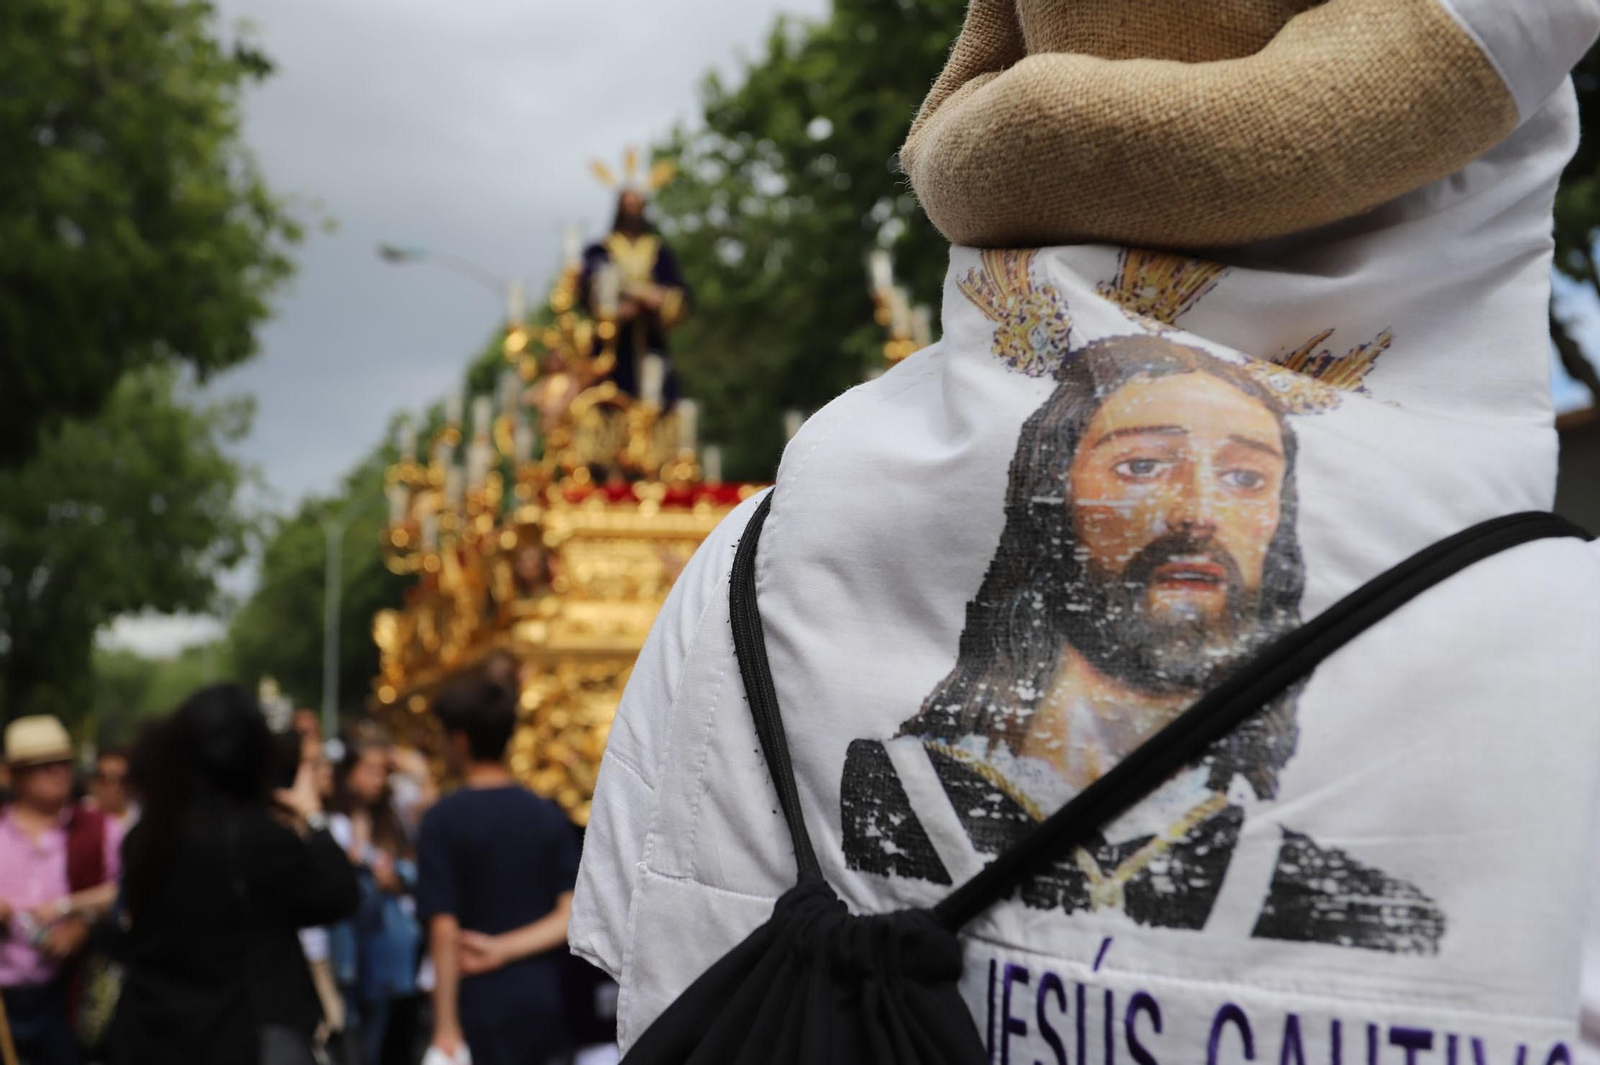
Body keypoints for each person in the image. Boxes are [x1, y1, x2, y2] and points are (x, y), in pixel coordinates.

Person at [572, 0, 1600, 1059]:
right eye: (1143, 464)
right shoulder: (1572, 647)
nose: (1197, 514)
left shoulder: (751, 573)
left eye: (1246, 474)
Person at [110, 684, 360, 1065]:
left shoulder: (147, 836)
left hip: (155, 1033)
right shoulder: (260, 838)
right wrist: (314, 818)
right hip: (239, 1037)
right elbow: (339, 895)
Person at [418, 674, 578, 1065]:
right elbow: (570, 914)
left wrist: (445, 1026)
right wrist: (503, 949)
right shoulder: (547, 815)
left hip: (476, 1001)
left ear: (460, 741)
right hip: (543, 999)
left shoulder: (442, 820)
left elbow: (444, 929)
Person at [0, 715, 119, 1065]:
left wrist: (82, 923)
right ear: (13, 774)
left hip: (67, 997)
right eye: (43, 765)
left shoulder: (102, 829)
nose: (58, 772)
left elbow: (126, 893)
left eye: (64, 762)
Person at [329, 731, 422, 1065]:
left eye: (384, 771)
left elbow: (413, 870)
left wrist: (395, 878)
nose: (378, 779)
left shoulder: (393, 820)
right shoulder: (331, 821)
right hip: (347, 953)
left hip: (388, 956)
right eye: (370, 769)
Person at [578, 185, 690, 402]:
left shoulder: (659, 251)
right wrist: (640, 294)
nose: (633, 211)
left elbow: (679, 295)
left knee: (657, 400)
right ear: (619, 209)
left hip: (650, 341)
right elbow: (590, 285)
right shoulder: (601, 249)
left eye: (638, 205)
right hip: (612, 344)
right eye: (628, 205)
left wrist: (661, 299)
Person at [86, 746, 136, 833]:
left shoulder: (139, 817)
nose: (113, 788)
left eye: (120, 781)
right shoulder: (82, 817)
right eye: (104, 780)